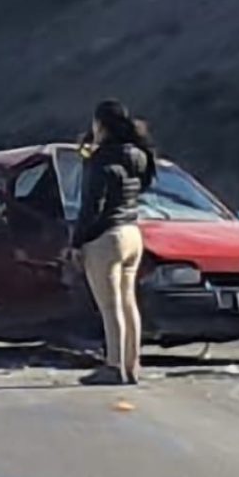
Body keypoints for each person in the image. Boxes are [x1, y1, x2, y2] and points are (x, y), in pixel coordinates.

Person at [72, 99, 157, 386]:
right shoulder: (139, 155)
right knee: (129, 302)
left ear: (100, 125)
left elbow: (91, 206)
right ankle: (132, 365)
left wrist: (77, 242)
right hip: (132, 232)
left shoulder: (101, 159)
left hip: (106, 237)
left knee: (110, 306)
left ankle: (113, 366)